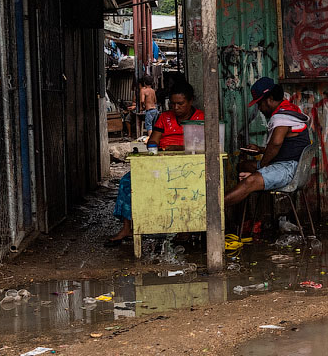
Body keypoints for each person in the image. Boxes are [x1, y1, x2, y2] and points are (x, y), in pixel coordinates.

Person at [106, 80, 205, 247]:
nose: (176, 108)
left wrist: (177, 147)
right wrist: (157, 148)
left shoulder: (201, 118)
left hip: (190, 168)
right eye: (172, 104)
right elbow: (153, 142)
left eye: (180, 103)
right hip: (163, 165)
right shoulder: (164, 118)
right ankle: (127, 227)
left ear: (190, 101)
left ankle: (186, 228)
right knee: (126, 182)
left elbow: (204, 146)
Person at [225, 77, 311, 207]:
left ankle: (210, 212)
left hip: (288, 168)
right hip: (289, 164)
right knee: (243, 166)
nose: (259, 108)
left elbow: (276, 143)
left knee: (250, 181)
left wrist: (263, 166)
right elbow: (286, 145)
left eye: (260, 104)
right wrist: (260, 150)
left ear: (270, 98)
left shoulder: (282, 116)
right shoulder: (290, 108)